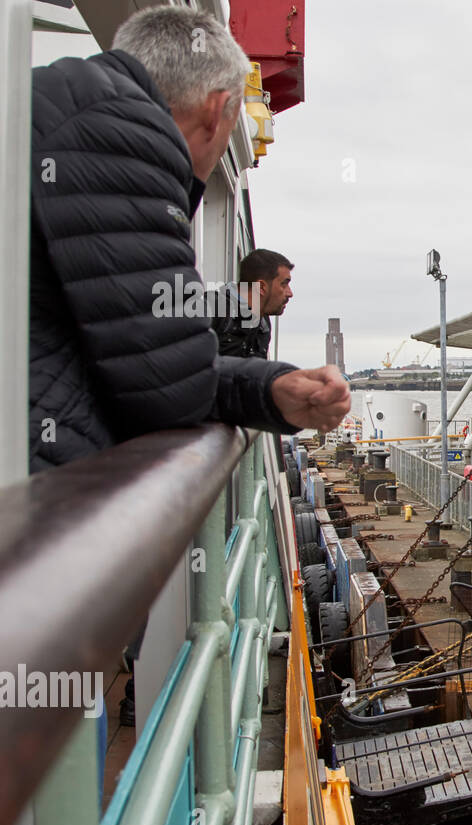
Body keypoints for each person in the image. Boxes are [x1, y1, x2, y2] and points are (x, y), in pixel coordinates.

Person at [28, 5, 350, 475]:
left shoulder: (62, 104)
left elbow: (148, 352)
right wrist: (263, 390)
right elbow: (167, 382)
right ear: (218, 110)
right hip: (34, 509)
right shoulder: (124, 133)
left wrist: (271, 388)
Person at [211, 248, 294, 358]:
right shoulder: (211, 309)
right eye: (284, 284)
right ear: (261, 287)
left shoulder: (263, 323)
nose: (290, 293)